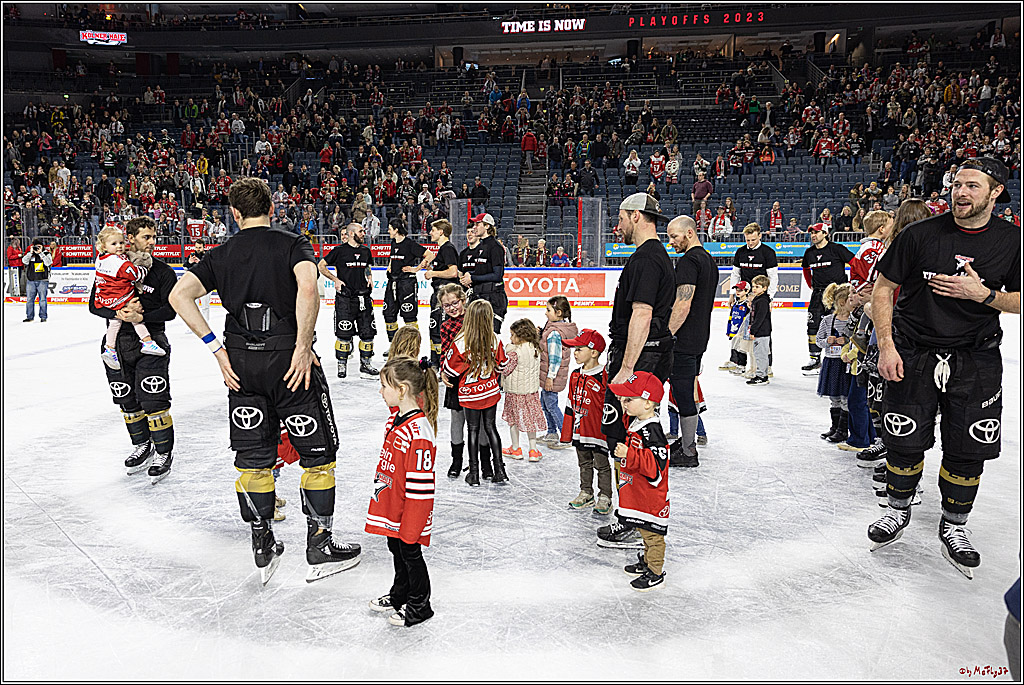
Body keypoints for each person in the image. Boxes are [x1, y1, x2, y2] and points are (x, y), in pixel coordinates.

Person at [168, 177, 360, 585]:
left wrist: (217, 351)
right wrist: (303, 345)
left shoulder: (219, 253)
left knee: (253, 456)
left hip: (240, 365)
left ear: (234, 214)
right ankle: (319, 543)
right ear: (271, 208)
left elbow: (179, 296)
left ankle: (262, 543)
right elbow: (309, 285)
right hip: (289, 361)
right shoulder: (292, 243)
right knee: (317, 453)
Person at [867, 158, 1020, 579]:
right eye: (957, 184)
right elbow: (884, 288)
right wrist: (886, 346)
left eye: (973, 186)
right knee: (902, 438)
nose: (960, 192)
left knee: (970, 447)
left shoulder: (1012, 241)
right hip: (913, 353)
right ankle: (897, 509)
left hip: (977, 358)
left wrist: (984, 294)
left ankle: (955, 525)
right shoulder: (919, 235)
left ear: (995, 193)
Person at [597, 193, 674, 550]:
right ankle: (633, 517)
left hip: (639, 360)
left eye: (623, 217)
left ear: (636, 216)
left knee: (628, 440)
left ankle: (634, 520)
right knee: (631, 439)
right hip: (648, 355)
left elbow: (641, 315)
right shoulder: (658, 256)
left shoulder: (646, 258)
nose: (619, 224)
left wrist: (627, 368)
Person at [89, 217, 178, 484]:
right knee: (127, 400)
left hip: (151, 341)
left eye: (154, 237)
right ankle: (142, 445)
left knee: (153, 400)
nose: (152, 242)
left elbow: (171, 310)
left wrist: (141, 317)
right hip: (117, 344)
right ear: (131, 238)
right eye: (146, 237)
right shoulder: (109, 265)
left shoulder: (163, 272)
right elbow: (94, 305)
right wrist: (117, 312)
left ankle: (163, 451)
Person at [366, 357, 438, 628]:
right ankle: (400, 595)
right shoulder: (397, 419)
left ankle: (420, 605)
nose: (381, 392)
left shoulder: (418, 432)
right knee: (395, 547)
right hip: (394, 504)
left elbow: (421, 487)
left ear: (402, 389)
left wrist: (413, 522)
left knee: (410, 552)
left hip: (411, 510)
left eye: (385, 386)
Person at [605, 371, 670, 592]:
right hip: (638, 494)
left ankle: (655, 571)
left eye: (629, 399)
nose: (623, 403)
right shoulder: (638, 423)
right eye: (624, 399)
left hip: (650, 499)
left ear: (648, 403)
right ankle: (647, 562)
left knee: (653, 536)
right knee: (644, 532)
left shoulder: (652, 431)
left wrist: (629, 455)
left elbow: (656, 467)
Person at [665, 215, 717, 468]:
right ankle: (686, 441)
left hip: (684, 340)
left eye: (674, 236)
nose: (671, 242)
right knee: (686, 391)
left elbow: (682, 304)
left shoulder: (688, 261)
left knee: (683, 394)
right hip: (700, 337)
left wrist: (667, 334)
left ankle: (688, 451)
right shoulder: (708, 260)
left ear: (689, 233)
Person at [441, 299, 509, 486]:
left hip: (470, 393)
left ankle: (474, 473)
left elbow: (450, 369)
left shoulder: (461, 342)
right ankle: (499, 470)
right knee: (491, 428)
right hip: (490, 392)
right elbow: (503, 364)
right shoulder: (495, 338)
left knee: (472, 429)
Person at [93, 227, 167, 368]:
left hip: (105, 297)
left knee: (114, 322)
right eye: (114, 244)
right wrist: (144, 268)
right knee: (134, 315)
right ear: (103, 246)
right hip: (120, 296)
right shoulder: (118, 261)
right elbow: (135, 274)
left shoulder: (100, 259)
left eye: (121, 243)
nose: (119, 246)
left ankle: (109, 348)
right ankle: (147, 341)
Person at [318, 222, 379, 379]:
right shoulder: (339, 251)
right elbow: (321, 266)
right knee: (343, 334)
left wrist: (370, 277)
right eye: (360, 231)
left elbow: (367, 267)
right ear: (352, 234)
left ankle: (366, 364)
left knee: (367, 333)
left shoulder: (366, 251)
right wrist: (335, 279)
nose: (363, 233)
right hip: (345, 298)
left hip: (364, 297)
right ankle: (342, 365)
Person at [561, 329, 612, 514]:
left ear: (594, 352)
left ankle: (605, 496)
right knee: (584, 462)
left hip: (598, 432)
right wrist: (568, 430)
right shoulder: (575, 374)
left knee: (602, 464)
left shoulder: (604, 374)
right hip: (579, 430)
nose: (574, 353)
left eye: (579, 349)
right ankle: (586, 492)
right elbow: (570, 402)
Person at [800, 225, 855, 375]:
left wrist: (851, 285)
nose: (813, 235)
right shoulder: (809, 253)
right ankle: (814, 359)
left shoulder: (837, 249)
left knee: (840, 324)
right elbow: (805, 269)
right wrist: (811, 284)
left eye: (816, 232)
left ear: (825, 233)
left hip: (837, 294)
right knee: (813, 325)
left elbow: (855, 263)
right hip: (818, 294)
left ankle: (842, 357)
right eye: (811, 232)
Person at [730, 223, 778, 375]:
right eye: (747, 240)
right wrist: (732, 295)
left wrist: (768, 298)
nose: (750, 243)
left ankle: (766, 366)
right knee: (739, 328)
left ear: (759, 236)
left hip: (760, 297)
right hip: (743, 296)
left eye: (753, 239)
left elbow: (773, 277)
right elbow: (736, 274)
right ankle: (739, 362)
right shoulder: (740, 252)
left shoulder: (768, 253)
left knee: (761, 330)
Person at [500, 318, 547, 462]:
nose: (510, 338)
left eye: (513, 335)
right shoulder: (535, 349)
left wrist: (506, 352)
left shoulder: (515, 353)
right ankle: (533, 450)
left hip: (515, 392)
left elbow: (506, 370)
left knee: (514, 421)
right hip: (531, 392)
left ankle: (516, 448)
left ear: (521, 336)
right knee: (530, 420)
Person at [815, 282, 855, 442]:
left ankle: (843, 429)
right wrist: (828, 341)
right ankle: (834, 427)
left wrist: (845, 341)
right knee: (834, 397)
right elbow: (818, 340)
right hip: (831, 362)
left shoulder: (854, 320)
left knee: (845, 397)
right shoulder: (827, 320)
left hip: (846, 363)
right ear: (842, 302)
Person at [383, 217, 430, 346]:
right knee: (389, 314)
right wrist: (389, 266)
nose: (388, 231)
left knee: (409, 315)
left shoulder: (410, 244)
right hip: (393, 282)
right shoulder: (393, 243)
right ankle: (394, 346)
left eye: (390, 229)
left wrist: (417, 269)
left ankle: (412, 345)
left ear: (396, 230)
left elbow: (430, 255)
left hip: (407, 283)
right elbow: (393, 258)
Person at [538, 295, 578, 447]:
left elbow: (555, 359)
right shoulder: (551, 328)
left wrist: (550, 377)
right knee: (545, 403)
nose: (546, 313)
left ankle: (566, 435)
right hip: (547, 374)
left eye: (548, 310)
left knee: (551, 405)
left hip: (551, 376)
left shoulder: (555, 333)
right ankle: (552, 432)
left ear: (559, 313)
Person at [437, 283, 468, 477]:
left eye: (455, 303)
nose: (452, 308)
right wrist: (443, 370)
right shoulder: (446, 326)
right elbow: (445, 352)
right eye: (446, 306)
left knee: (479, 423)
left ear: (463, 301)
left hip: (475, 379)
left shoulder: (474, 319)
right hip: (456, 379)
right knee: (457, 419)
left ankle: (482, 462)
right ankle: (456, 461)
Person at [460, 213, 508, 334]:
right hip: (479, 295)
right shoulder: (481, 246)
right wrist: (467, 276)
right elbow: (482, 270)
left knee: (489, 337)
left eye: (477, 224)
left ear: (487, 226)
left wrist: (472, 277)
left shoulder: (495, 247)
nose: (474, 227)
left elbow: (497, 275)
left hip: (493, 298)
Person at [424, 219, 460, 367]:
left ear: (441, 232)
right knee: (435, 328)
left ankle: (442, 363)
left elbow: (453, 272)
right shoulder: (442, 249)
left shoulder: (447, 248)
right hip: (440, 294)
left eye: (433, 230)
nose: (430, 233)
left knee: (441, 329)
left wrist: (433, 273)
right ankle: (436, 362)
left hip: (446, 295)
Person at [720, 281, 752, 373]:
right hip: (734, 329)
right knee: (733, 346)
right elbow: (731, 317)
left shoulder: (747, 304)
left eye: (740, 290)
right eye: (736, 289)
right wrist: (728, 330)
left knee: (742, 348)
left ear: (746, 291)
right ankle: (734, 361)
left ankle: (742, 366)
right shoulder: (736, 304)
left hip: (742, 331)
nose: (737, 292)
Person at [746, 275, 772, 385]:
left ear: (764, 288)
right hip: (760, 331)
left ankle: (762, 376)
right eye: (753, 286)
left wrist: (753, 331)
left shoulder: (762, 301)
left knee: (761, 354)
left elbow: (759, 318)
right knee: (758, 353)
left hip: (762, 332)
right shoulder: (758, 299)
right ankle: (761, 374)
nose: (754, 289)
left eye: (757, 286)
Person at [21, 238, 52, 323]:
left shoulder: (46, 254)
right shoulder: (30, 255)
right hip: (31, 280)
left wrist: (41, 253)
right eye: (35, 247)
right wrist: (30, 253)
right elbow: (24, 261)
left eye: (39, 246)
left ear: (42, 247)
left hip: (42, 280)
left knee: (42, 299)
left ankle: (43, 317)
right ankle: (29, 317)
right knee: (29, 300)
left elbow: (48, 263)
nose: (37, 248)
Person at [186, 237, 212, 321]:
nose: (198, 249)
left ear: (204, 247)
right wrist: (189, 263)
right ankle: (194, 325)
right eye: (196, 247)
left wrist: (199, 263)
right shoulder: (192, 255)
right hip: (194, 285)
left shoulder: (208, 256)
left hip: (206, 284)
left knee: (205, 307)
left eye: (200, 247)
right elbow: (185, 269)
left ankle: (206, 325)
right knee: (194, 306)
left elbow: (210, 269)